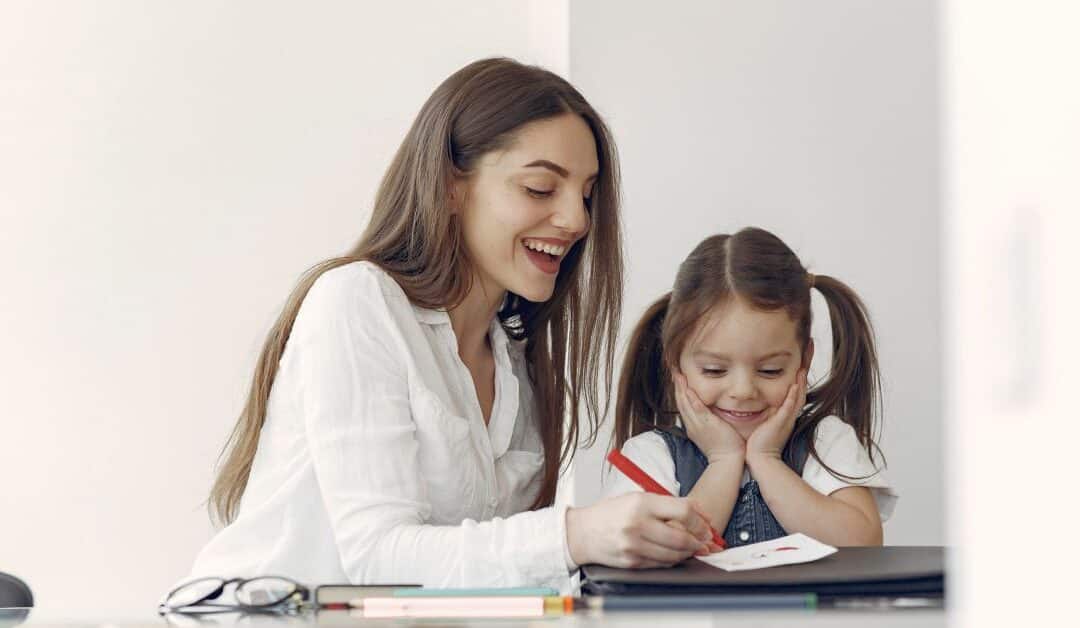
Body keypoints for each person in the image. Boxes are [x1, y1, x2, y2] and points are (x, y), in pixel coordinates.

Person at [185, 58, 714, 593]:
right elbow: (376, 555)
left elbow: (482, 569)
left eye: (585, 194)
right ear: (449, 186)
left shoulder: (514, 362)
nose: (576, 220)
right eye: (539, 188)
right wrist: (574, 535)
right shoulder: (358, 301)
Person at [606, 227, 898, 548]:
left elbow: (863, 545)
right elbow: (657, 549)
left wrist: (767, 459)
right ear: (675, 362)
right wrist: (723, 460)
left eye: (770, 370)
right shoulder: (650, 456)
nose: (743, 390)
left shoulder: (826, 442)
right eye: (714, 370)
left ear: (803, 360)